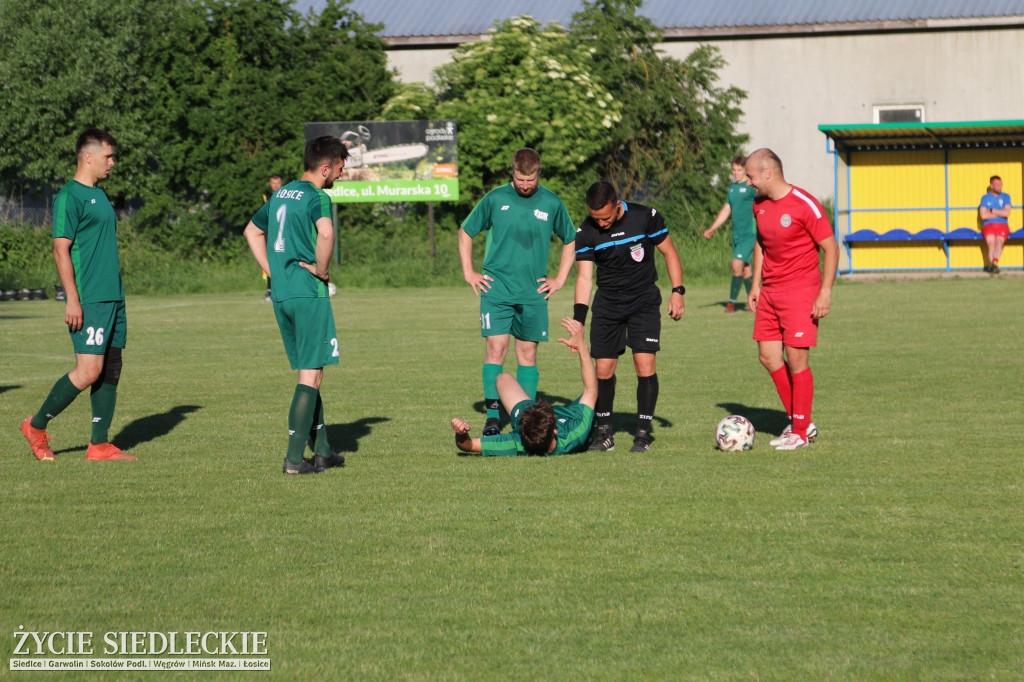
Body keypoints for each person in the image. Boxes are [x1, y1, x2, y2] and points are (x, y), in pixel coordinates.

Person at [20, 128, 135, 461]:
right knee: (88, 371)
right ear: (89, 156)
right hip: (89, 298)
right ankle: (36, 426)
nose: (112, 162)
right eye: (108, 156)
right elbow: (60, 250)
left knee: (110, 368)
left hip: (113, 297)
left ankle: (99, 445)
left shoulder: (99, 194)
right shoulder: (69, 196)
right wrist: (72, 298)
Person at [243, 137, 349, 475]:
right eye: (340, 169)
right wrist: (321, 269)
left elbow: (251, 231)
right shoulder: (317, 195)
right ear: (324, 168)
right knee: (311, 374)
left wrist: (273, 271)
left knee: (310, 370)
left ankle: (323, 451)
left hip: (283, 295)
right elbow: (327, 234)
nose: (341, 175)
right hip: (307, 293)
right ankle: (292, 459)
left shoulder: (280, 194)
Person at [459, 148, 576, 437]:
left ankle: (525, 419)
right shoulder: (496, 198)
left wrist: (560, 279)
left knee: (528, 354)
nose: (525, 184)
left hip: (533, 294)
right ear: (512, 172)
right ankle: (493, 418)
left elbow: (571, 239)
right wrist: (469, 272)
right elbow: (465, 231)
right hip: (496, 290)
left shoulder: (551, 202)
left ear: (539, 173)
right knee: (496, 349)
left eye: (530, 179)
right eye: (520, 178)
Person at [573, 181, 686, 453]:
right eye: (595, 218)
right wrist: (579, 319)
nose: (601, 223)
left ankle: (643, 434)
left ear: (617, 203)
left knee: (644, 366)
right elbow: (585, 278)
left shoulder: (645, 216)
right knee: (603, 370)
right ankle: (604, 433)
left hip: (643, 302)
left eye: (606, 217)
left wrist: (677, 290)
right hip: (608, 306)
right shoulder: (586, 230)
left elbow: (669, 251)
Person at [744, 148, 838, 450]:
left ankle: (799, 430)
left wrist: (824, 292)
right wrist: (756, 284)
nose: (748, 183)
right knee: (769, 357)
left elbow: (832, 249)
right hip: (770, 292)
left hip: (800, 290)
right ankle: (801, 422)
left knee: (797, 359)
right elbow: (761, 242)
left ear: (768, 173)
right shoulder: (758, 204)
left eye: (751, 176)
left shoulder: (804, 204)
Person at [451, 318, 597, 456]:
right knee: (605, 385)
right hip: (572, 413)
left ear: (521, 428)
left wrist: (461, 433)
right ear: (555, 430)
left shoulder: (517, 442)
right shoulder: (575, 432)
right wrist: (581, 345)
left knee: (503, 378)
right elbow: (591, 390)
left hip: (532, 417)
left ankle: (494, 419)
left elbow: (468, 445)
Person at [704, 154, 756, 312]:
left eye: (739, 170)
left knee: (736, 265)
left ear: (746, 170)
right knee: (746, 270)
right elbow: (727, 209)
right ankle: (755, 303)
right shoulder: (732, 189)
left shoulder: (751, 188)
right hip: (737, 236)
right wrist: (712, 228)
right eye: (733, 170)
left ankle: (731, 303)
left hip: (749, 234)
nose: (735, 173)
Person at [979, 175, 1012, 274]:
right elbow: (983, 216)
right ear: (992, 186)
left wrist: (992, 211)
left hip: (1002, 225)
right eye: (997, 184)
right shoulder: (985, 198)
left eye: (1001, 184)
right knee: (991, 244)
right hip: (988, 225)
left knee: (999, 242)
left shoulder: (1006, 196)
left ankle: (994, 264)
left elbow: (1007, 213)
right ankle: (993, 266)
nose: (1000, 186)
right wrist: (999, 213)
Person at [260, 174, 284, 300]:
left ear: (281, 183)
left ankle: (284, 288)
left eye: (278, 183)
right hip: (270, 233)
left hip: (284, 233)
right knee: (270, 261)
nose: (275, 185)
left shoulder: (286, 196)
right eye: (273, 183)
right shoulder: (266, 197)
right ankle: (270, 290)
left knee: (283, 260)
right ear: (270, 184)